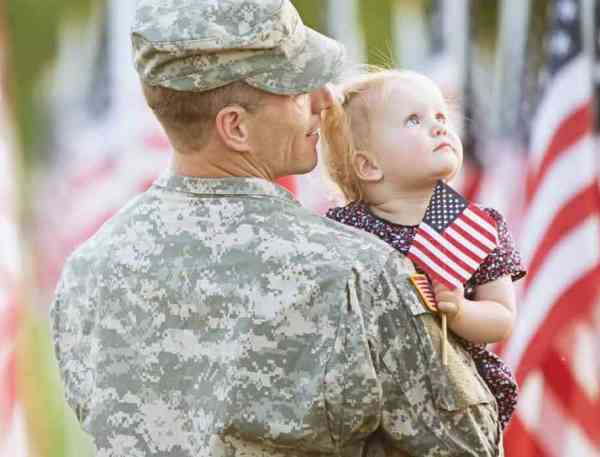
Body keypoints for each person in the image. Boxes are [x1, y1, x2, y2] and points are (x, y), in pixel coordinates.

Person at [50, 2, 503, 456]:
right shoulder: (356, 274)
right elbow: (472, 446)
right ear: (235, 127)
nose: (326, 100)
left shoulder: (87, 273)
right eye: (296, 88)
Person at [321, 68, 527, 431]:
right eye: (413, 120)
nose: (438, 126)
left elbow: (501, 318)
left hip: (454, 406)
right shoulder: (342, 230)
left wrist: (461, 310)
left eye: (441, 116)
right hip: (372, 402)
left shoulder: (474, 226)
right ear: (368, 165)